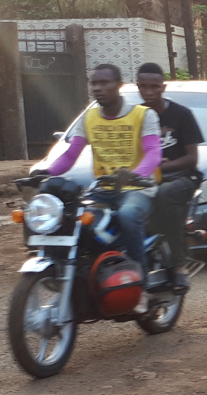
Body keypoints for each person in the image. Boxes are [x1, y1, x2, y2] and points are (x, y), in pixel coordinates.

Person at [41, 63, 159, 267]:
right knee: (68, 216)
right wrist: (45, 172)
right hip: (102, 189)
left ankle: (138, 273)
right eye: (94, 83)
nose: (97, 88)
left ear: (118, 85)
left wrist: (135, 174)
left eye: (104, 83)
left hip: (138, 188)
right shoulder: (89, 117)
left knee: (128, 214)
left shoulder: (143, 115)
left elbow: (153, 153)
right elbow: (70, 154)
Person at [136, 62, 202, 293]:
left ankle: (179, 265)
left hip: (181, 177)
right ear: (138, 87)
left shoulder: (182, 115)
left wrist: (161, 168)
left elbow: (192, 159)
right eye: (144, 87)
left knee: (163, 196)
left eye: (155, 86)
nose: (150, 91)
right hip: (144, 178)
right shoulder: (136, 116)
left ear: (163, 87)